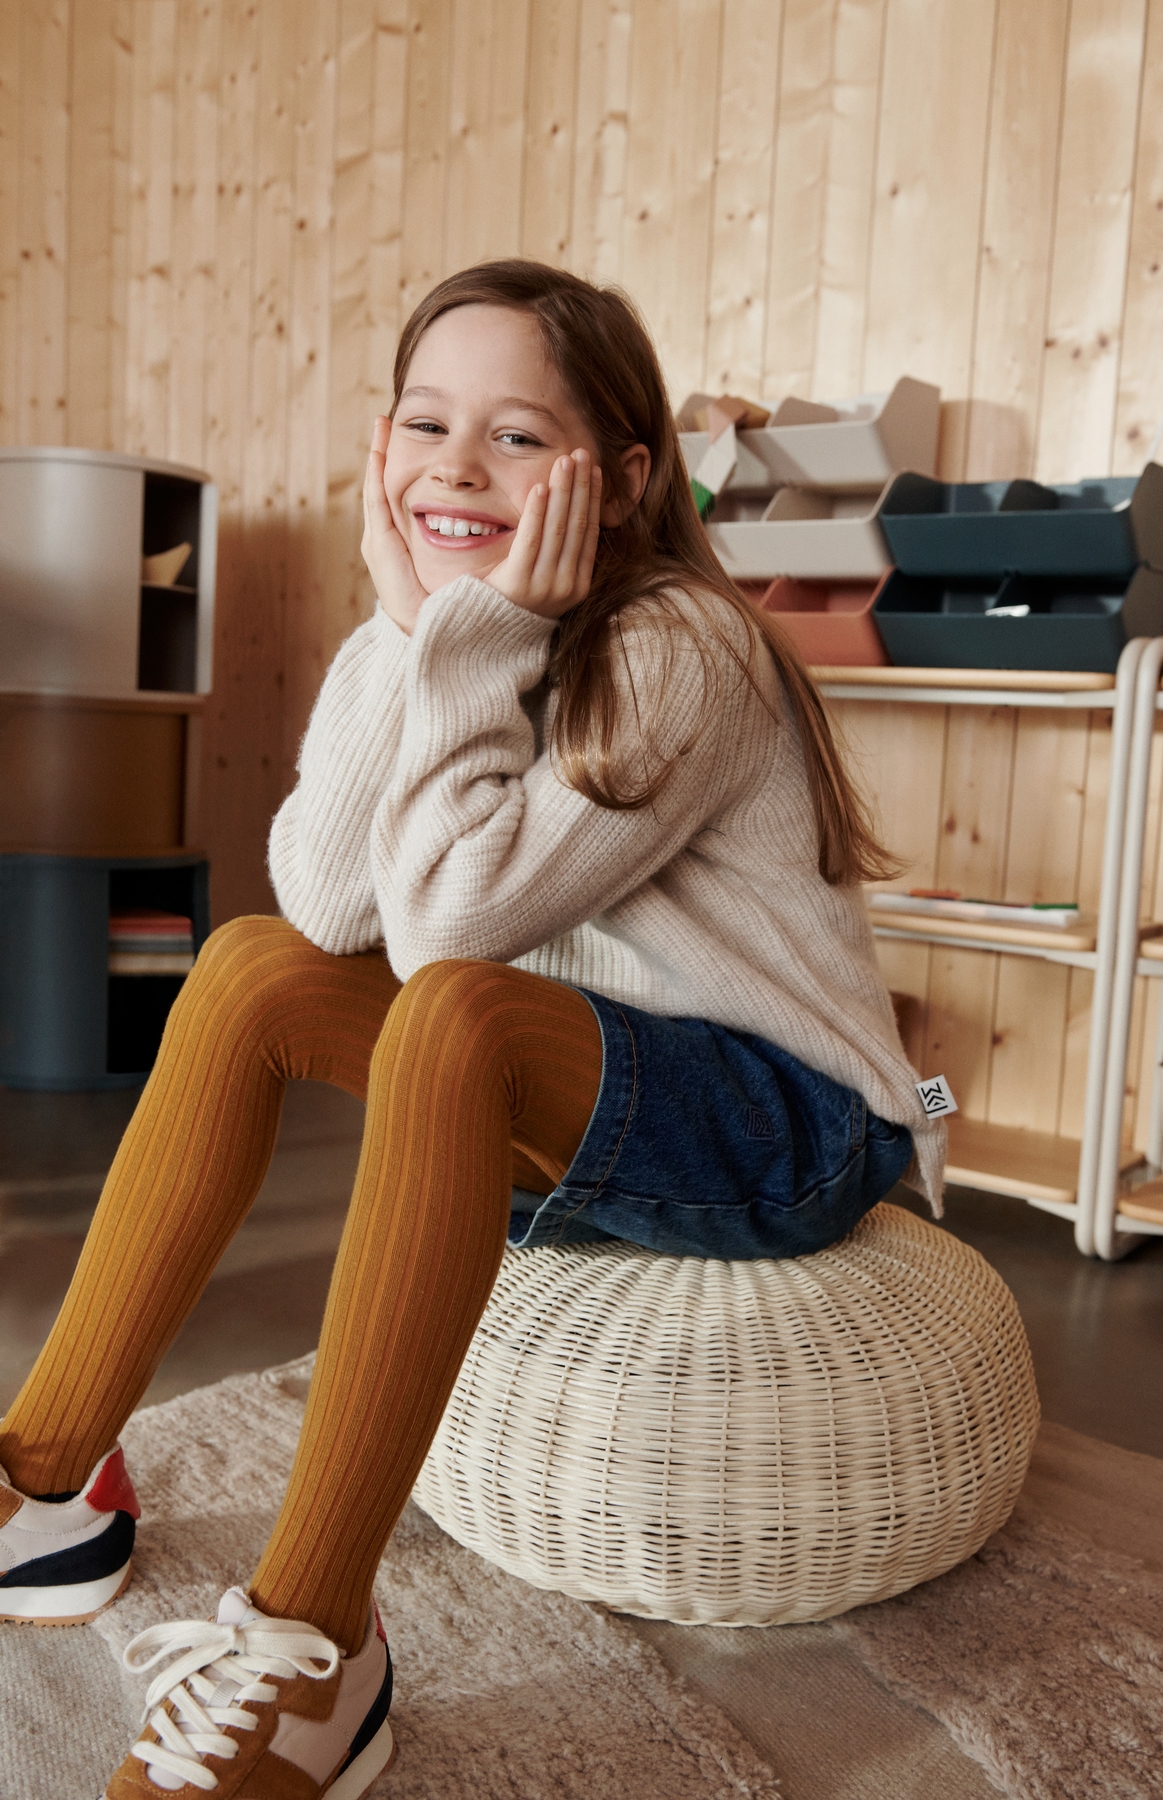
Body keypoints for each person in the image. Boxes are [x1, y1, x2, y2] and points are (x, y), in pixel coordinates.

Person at [0, 260, 944, 1799]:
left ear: (619, 479)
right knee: (246, 968)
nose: (454, 468)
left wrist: (472, 635)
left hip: (786, 1118)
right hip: (570, 1060)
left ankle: (319, 1647)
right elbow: (323, 903)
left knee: (451, 1010)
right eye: (426, 424)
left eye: (516, 437)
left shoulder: (682, 646)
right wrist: (408, 629)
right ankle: (45, 1484)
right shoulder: (441, 630)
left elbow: (447, 935)